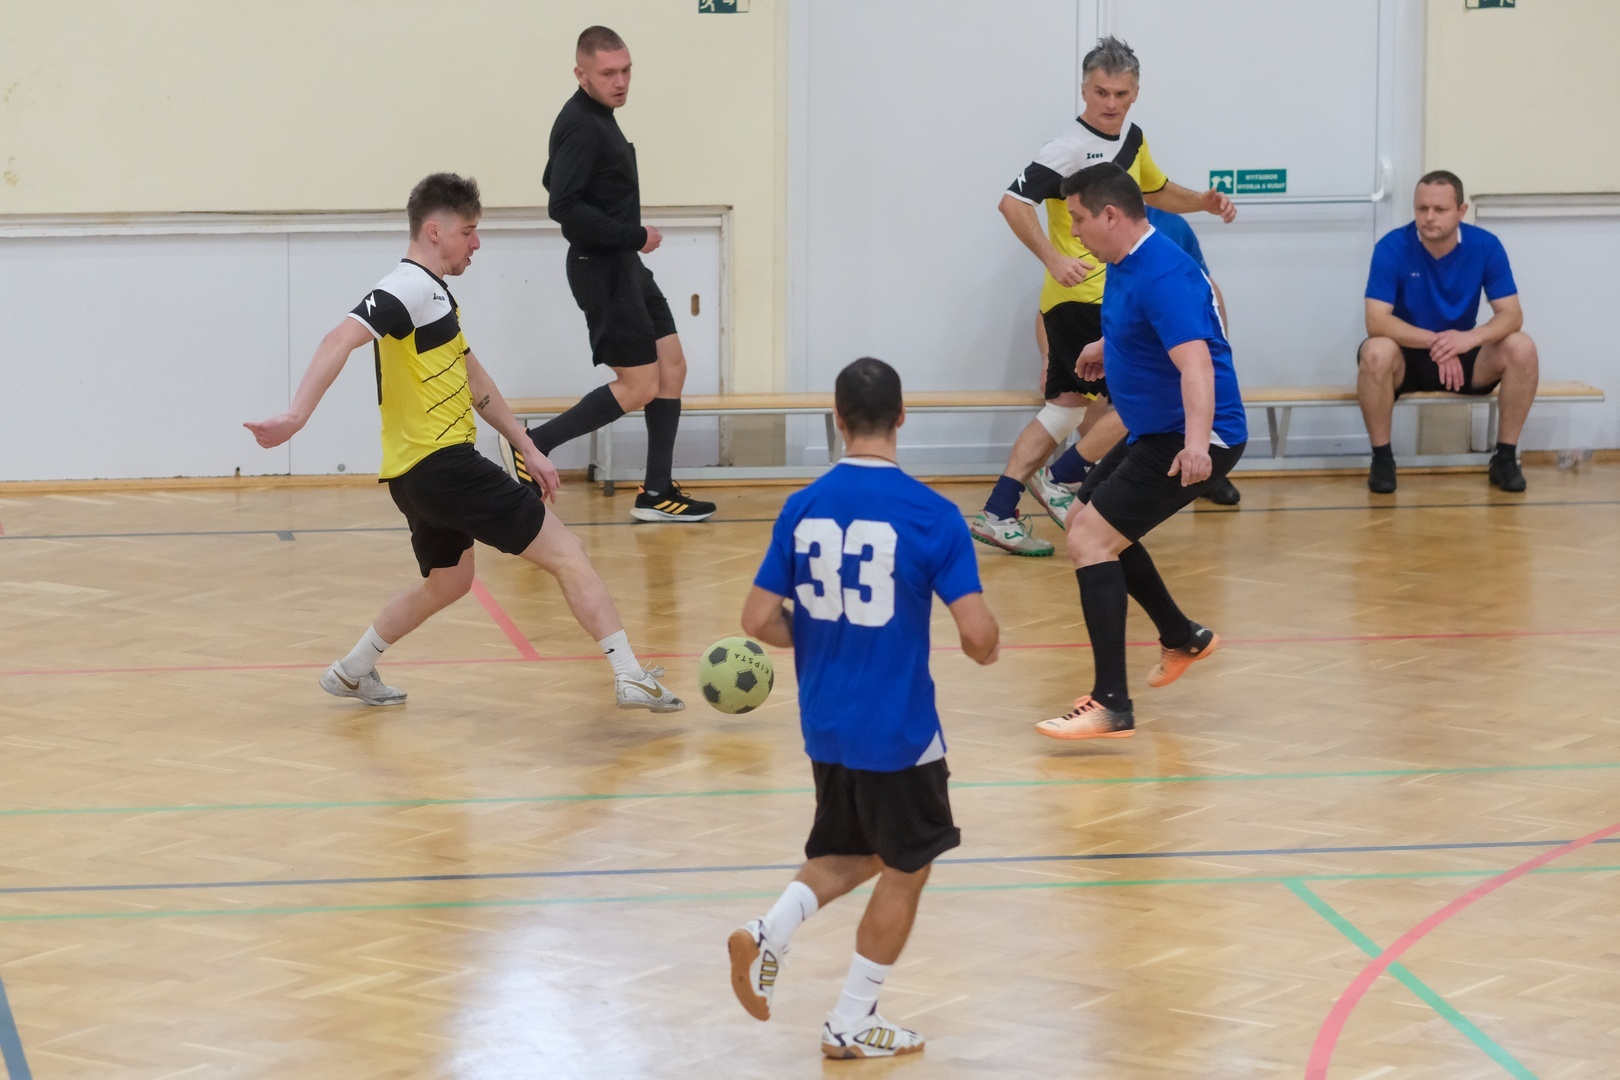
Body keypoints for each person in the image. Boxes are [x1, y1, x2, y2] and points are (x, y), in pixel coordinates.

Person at [244, 173, 683, 712]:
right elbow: (339, 337)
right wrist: (296, 415)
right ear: (435, 231)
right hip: (445, 465)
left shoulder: (435, 297)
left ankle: (352, 670)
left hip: (412, 474)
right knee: (567, 553)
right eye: (468, 231)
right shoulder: (408, 287)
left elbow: (477, 382)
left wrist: (529, 447)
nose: (477, 244)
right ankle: (630, 675)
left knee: (449, 582)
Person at [729, 357, 1000, 1059]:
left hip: (826, 723)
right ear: (903, 417)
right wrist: (988, 644)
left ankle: (769, 932)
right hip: (899, 730)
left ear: (838, 419)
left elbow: (756, 619)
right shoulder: (933, 515)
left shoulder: (803, 506)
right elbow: (977, 637)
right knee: (908, 866)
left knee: (854, 850)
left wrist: (821, 639)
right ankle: (851, 1020)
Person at [973, 35, 1236, 557]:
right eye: (1100, 92)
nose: (1110, 103)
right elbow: (1011, 203)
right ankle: (1061, 478)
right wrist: (1054, 258)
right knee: (1145, 399)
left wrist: (1202, 203)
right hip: (1082, 298)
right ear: (1084, 91)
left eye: (1120, 93)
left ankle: (999, 510)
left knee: (1065, 410)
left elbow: (1155, 191)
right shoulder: (1066, 148)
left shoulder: (1133, 139)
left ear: (1135, 92)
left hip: (1108, 295)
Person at [1035, 163, 1246, 741]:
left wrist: (1197, 446)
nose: (1073, 230)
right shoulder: (1125, 259)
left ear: (1110, 215)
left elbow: (1197, 366)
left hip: (1194, 435)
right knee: (1084, 518)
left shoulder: (1164, 274)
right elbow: (1149, 327)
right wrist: (1109, 344)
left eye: (1078, 218)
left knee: (1089, 540)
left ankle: (1111, 704)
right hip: (1159, 428)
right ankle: (1182, 637)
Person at [511, 25, 716, 522]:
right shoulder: (583, 124)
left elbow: (553, 178)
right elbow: (562, 205)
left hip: (625, 265)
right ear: (581, 74)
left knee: (671, 366)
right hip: (602, 268)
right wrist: (633, 234)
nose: (620, 81)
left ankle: (656, 492)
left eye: (626, 71)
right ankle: (533, 444)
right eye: (608, 73)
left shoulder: (598, 118)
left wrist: (628, 242)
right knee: (639, 384)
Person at [1030, 204, 1241, 522]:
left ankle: (1065, 474)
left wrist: (1218, 344)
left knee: (1091, 532)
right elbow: (1053, 307)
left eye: (1078, 218)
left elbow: (1204, 288)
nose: (1074, 228)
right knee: (1087, 525)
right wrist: (1059, 355)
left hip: (1166, 376)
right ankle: (1069, 475)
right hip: (1117, 362)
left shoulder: (1170, 230)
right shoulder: (1103, 246)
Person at [1357, 170, 1538, 493]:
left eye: (1439, 209)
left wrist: (1467, 339)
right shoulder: (1392, 246)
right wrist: (1438, 343)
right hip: (1407, 357)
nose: (1429, 217)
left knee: (1522, 347)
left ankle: (1505, 458)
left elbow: (1512, 315)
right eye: (1421, 208)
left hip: (1465, 354)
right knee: (1376, 351)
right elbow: (1376, 321)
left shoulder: (1485, 246)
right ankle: (1382, 459)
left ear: (1461, 211)